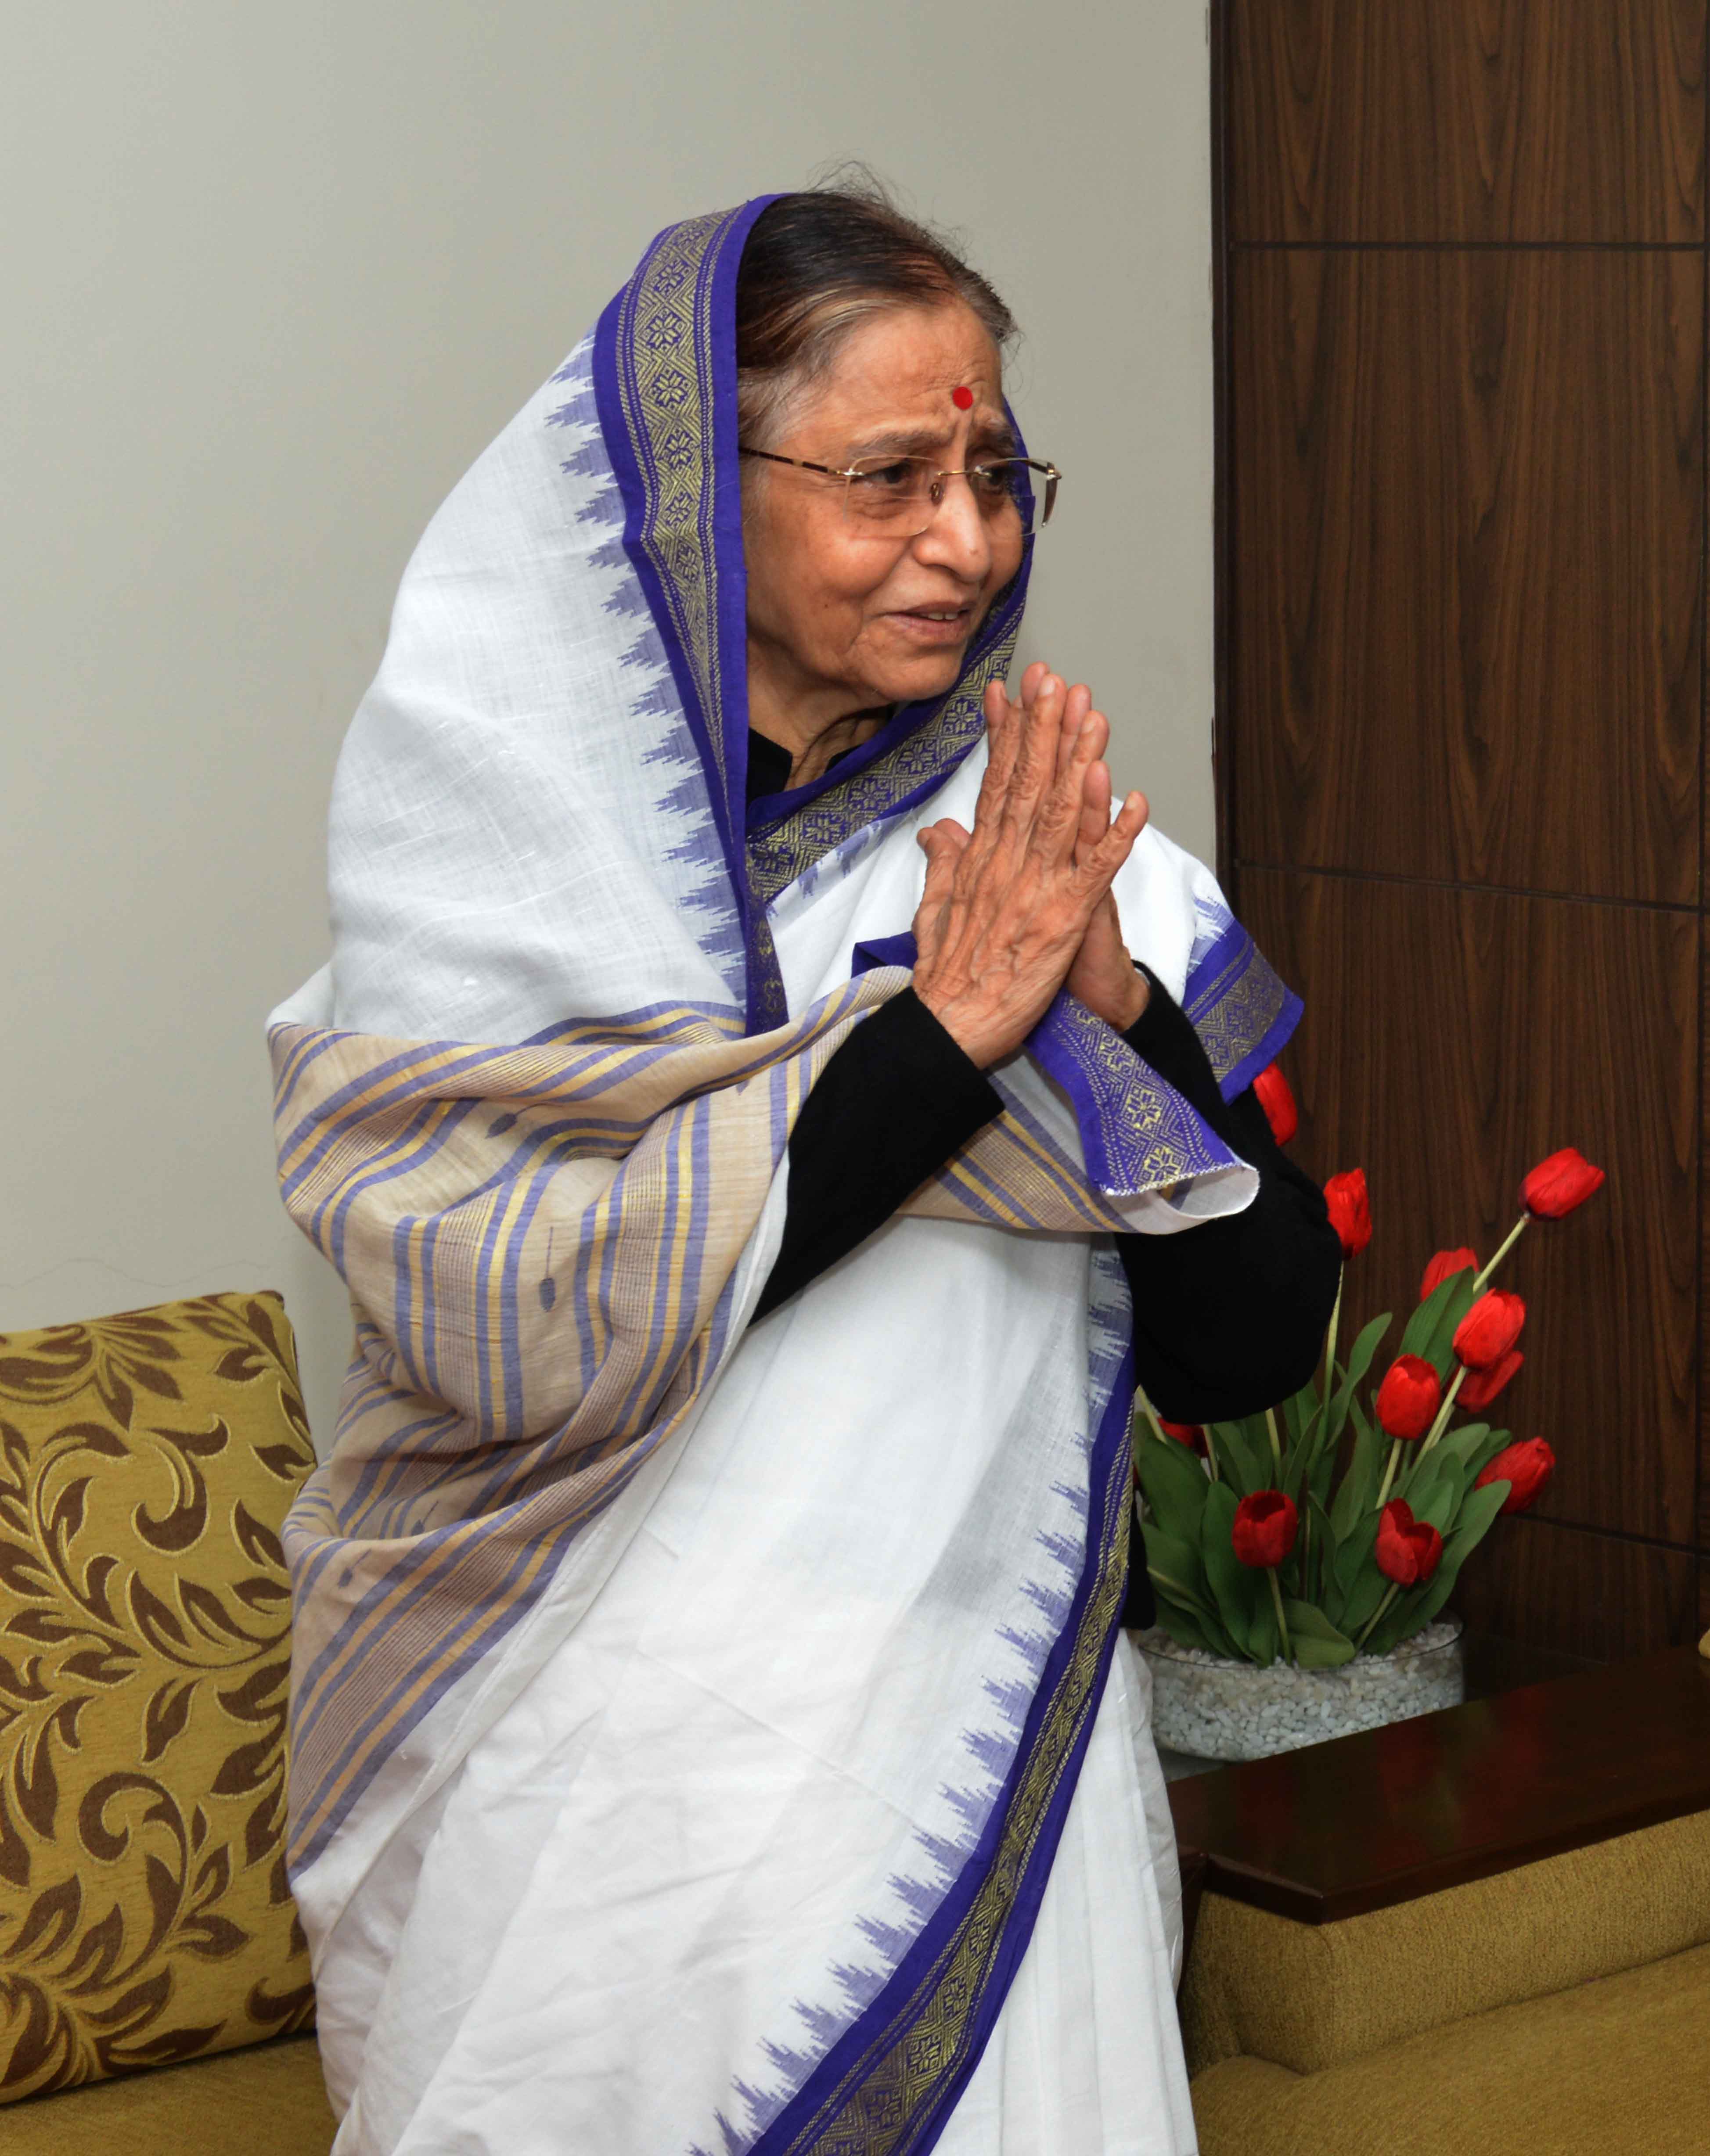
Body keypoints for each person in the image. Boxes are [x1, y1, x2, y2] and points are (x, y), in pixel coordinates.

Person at [269, 183, 1336, 2153]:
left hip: (966, 1786)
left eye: (995, 473)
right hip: (575, 1817)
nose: (966, 538)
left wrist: (1119, 1022)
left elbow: (1252, 1347)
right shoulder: (489, 918)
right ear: (692, 491)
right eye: (892, 475)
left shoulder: (1059, 854)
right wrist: (948, 1040)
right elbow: (506, 1324)